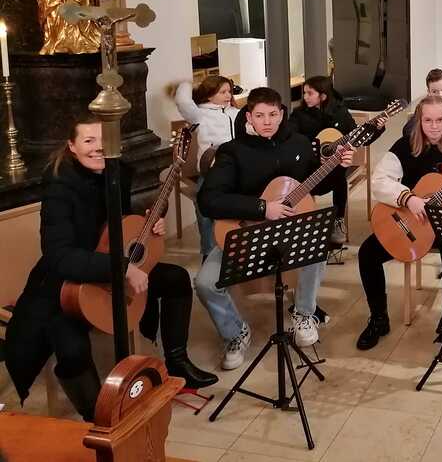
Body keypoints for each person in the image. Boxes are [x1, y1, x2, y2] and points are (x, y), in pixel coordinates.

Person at [4, 116, 218, 421]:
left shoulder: (116, 172)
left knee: (176, 278)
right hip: (66, 283)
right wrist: (122, 268)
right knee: (71, 346)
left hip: (110, 267)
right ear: (72, 146)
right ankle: (98, 418)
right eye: (88, 140)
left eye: (104, 140)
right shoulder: (59, 187)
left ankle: (177, 362)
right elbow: (59, 255)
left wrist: (149, 224)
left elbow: (114, 225)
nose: (98, 147)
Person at [196, 87, 353, 369]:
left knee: (317, 248)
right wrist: (262, 208)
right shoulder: (233, 151)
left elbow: (316, 185)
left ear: (281, 114)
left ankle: (303, 312)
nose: (267, 121)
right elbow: (208, 200)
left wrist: (338, 166)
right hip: (245, 233)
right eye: (259, 115)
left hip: (289, 232)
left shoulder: (299, 144)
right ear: (249, 117)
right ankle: (235, 332)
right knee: (205, 283)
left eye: (272, 114)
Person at [355, 95, 442, 350]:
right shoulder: (405, 146)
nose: (434, 126)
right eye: (428, 120)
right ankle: (378, 317)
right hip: (412, 223)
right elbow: (379, 181)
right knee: (367, 253)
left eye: (440, 120)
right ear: (419, 121)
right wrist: (408, 198)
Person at [288, 75, 385, 247]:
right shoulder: (298, 115)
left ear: (323, 96)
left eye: (310, 93)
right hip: (307, 170)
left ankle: (338, 220)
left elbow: (359, 138)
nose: (305, 97)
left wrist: (377, 128)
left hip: (332, 174)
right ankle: (299, 224)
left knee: (339, 173)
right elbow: (290, 139)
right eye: (304, 93)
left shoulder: (340, 113)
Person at [172, 76, 241, 257]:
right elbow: (182, 100)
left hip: (236, 172)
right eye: (222, 92)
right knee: (204, 207)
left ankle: (235, 251)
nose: (228, 95)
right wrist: (190, 83)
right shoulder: (199, 115)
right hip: (211, 171)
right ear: (209, 95)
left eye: (229, 91)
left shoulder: (236, 113)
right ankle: (208, 253)